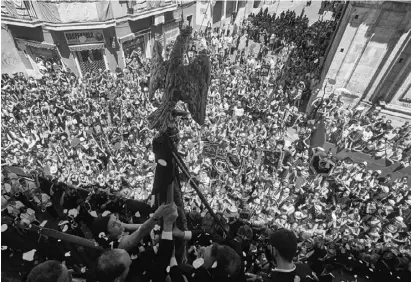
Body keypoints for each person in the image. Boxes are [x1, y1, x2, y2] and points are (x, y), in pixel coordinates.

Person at [94, 202, 178, 282]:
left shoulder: (119, 230)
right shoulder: (116, 248)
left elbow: (141, 227)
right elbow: (142, 231)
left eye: (116, 219)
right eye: (113, 225)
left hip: (150, 260)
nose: (119, 223)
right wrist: (157, 216)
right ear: (107, 235)